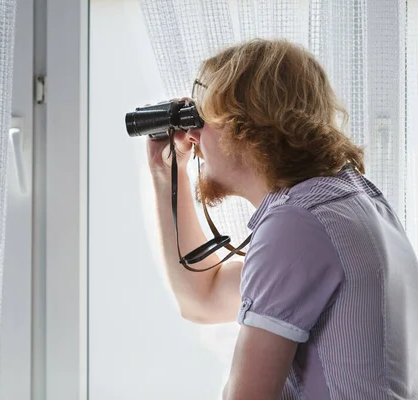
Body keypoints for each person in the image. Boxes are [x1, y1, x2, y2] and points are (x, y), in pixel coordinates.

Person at [146, 39, 418, 399]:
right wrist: (167, 173)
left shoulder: (298, 223)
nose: (192, 136)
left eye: (202, 120)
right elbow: (203, 299)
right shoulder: (347, 199)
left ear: (247, 127)